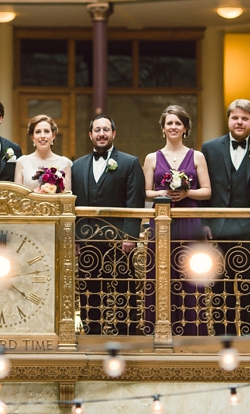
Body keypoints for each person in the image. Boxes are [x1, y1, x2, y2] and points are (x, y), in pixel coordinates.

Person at [200, 99, 250, 336]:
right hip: (219, 229)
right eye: (235, 117)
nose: (239, 122)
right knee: (219, 287)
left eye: (244, 118)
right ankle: (224, 337)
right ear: (229, 120)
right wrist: (204, 223)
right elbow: (204, 187)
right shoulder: (210, 148)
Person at [72, 114, 145, 335]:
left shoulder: (129, 162)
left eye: (106, 129)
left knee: (123, 285)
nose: (101, 134)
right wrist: (75, 237)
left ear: (113, 133)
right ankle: (91, 328)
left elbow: (135, 200)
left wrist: (130, 236)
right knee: (88, 286)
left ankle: (126, 328)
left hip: (119, 239)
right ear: (90, 135)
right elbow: (73, 203)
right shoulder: (77, 165)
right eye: (97, 130)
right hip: (87, 239)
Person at [144, 104, 211, 336]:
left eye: (178, 123)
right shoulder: (152, 158)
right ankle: (158, 328)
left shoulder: (197, 156)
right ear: (163, 128)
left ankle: (192, 328)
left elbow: (207, 191)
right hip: (161, 221)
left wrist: (187, 193)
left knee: (192, 272)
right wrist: (162, 193)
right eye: (169, 123)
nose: (173, 127)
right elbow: (145, 192)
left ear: (185, 128)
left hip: (189, 220)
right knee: (160, 272)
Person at [14, 115, 72, 192]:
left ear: (53, 136)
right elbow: (17, 197)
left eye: (46, 131)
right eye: (38, 132)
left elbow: (67, 199)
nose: (42, 136)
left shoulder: (65, 163)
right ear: (33, 138)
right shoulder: (21, 162)